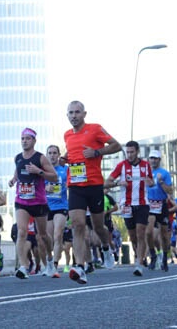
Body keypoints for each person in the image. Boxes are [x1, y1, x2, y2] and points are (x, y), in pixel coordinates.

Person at [63, 100, 122, 284]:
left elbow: (116, 145)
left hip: (95, 185)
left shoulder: (95, 129)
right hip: (75, 186)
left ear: (84, 114)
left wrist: (97, 152)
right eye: (71, 112)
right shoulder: (67, 135)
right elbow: (72, 154)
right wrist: (66, 158)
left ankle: (106, 246)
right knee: (78, 225)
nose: (74, 115)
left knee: (98, 226)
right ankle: (80, 266)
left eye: (77, 112)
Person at [10, 128, 57, 279]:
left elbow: (54, 177)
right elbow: (18, 172)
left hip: (38, 202)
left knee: (43, 236)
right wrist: (13, 180)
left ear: (34, 141)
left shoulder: (41, 158)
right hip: (21, 201)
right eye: (22, 138)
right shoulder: (18, 158)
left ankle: (50, 260)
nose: (24, 141)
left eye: (28, 138)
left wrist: (39, 171)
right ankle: (24, 266)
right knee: (21, 232)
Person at [105, 141, 156, 276]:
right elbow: (107, 182)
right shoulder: (121, 166)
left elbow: (151, 182)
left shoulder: (145, 165)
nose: (129, 155)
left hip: (142, 203)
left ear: (137, 151)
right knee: (133, 236)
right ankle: (138, 254)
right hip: (126, 205)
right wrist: (117, 183)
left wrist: (150, 183)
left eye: (132, 152)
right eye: (127, 152)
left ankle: (139, 263)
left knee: (141, 232)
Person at [145, 150, 172, 272]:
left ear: (159, 160)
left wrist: (161, 182)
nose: (153, 160)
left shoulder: (164, 173)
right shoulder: (144, 172)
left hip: (161, 204)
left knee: (164, 235)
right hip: (149, 204)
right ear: (148, 159)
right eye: (151, 158)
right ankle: (153, 255)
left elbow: (169, 191)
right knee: (148, 232)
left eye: (155, 158)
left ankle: (165, 258)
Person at [45, 144, 69, 278]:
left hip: (61, 206)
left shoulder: (65, 170)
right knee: (47, 239)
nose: (52, 155)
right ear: (47, 155)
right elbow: (36, 189)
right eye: (50, 153)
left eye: (55, 153)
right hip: (47, 207)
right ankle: (49, 261)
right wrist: (44, 189)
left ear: (59, 155)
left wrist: (67, 185)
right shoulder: (42, 171)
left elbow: (73, 182)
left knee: (58, 235)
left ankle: (55, 265)